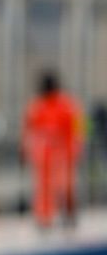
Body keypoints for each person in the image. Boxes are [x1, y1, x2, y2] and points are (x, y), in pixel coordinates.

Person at [22, 71, 84, 228]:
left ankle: (68, 214)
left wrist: (75, 148)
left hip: (63, 154)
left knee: (66, 186)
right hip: (44, 156)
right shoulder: (38, 106)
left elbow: (79, 128)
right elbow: (28, 129)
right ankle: (45, 218)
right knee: (44, 189)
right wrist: (27, 149)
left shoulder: (67, 105)